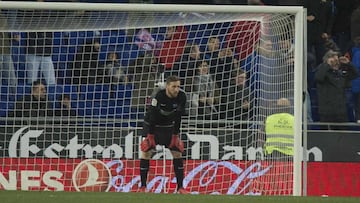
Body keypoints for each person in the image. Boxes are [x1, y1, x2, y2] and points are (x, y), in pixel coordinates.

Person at [138, 75, 189, 194]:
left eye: (178, 86)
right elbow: (152, 115)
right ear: (167, 86)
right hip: (152, 125)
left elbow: (178, 117)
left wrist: (175, 136)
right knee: (146, 152)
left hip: (168, 126)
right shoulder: (158, 96)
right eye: (173, 87)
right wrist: (150, 136)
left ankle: (180, 187)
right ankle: (143, 187)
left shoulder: (182, 96)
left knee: (177, 153)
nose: (176, 89)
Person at [315, 50, 358, 123]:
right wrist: (327, 64)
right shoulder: (321, 70)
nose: (335, 62)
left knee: (342, 134)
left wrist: (348, 63)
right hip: (326, 113)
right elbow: (319, 77)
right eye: (333, 60)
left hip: (341, 112)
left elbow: (355, 74)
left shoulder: (341, 74)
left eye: (337, 60)